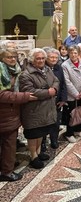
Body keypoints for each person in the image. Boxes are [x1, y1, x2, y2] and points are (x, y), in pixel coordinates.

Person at [19, 48, 60, 169]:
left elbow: (56, 80)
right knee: (33, 134)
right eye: (38, 58)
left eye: (43, 58)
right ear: (32, 60)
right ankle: (33, 156)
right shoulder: (26, 74)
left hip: (46, 109)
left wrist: (55, 89)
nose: (41, 60)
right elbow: (29, 91)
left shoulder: (47, 69)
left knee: (41, 131)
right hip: (33, 109)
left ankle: (38, 152)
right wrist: (48, 92)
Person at [0, 49, 36, 181]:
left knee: (8, 143)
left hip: (12, 112)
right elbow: (2, 94)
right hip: (5, 113)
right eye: (9, 57)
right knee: (8, 144)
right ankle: (7, 172)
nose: (13, 59)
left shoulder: (16, 70)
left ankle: (6, 164)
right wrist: (25, 96)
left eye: (14, 56)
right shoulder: (1, 71)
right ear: (2, 58)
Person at [61, 45, 81, 143]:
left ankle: (78, 130)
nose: (73, 55)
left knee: (80, 112)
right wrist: (76, 93)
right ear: (68, 53)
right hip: (71, 95)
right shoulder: (65, 65)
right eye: (71, 53)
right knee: (71, 114)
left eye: (75, 52)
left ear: (79, 53)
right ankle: (69, 133)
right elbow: (67, 81)